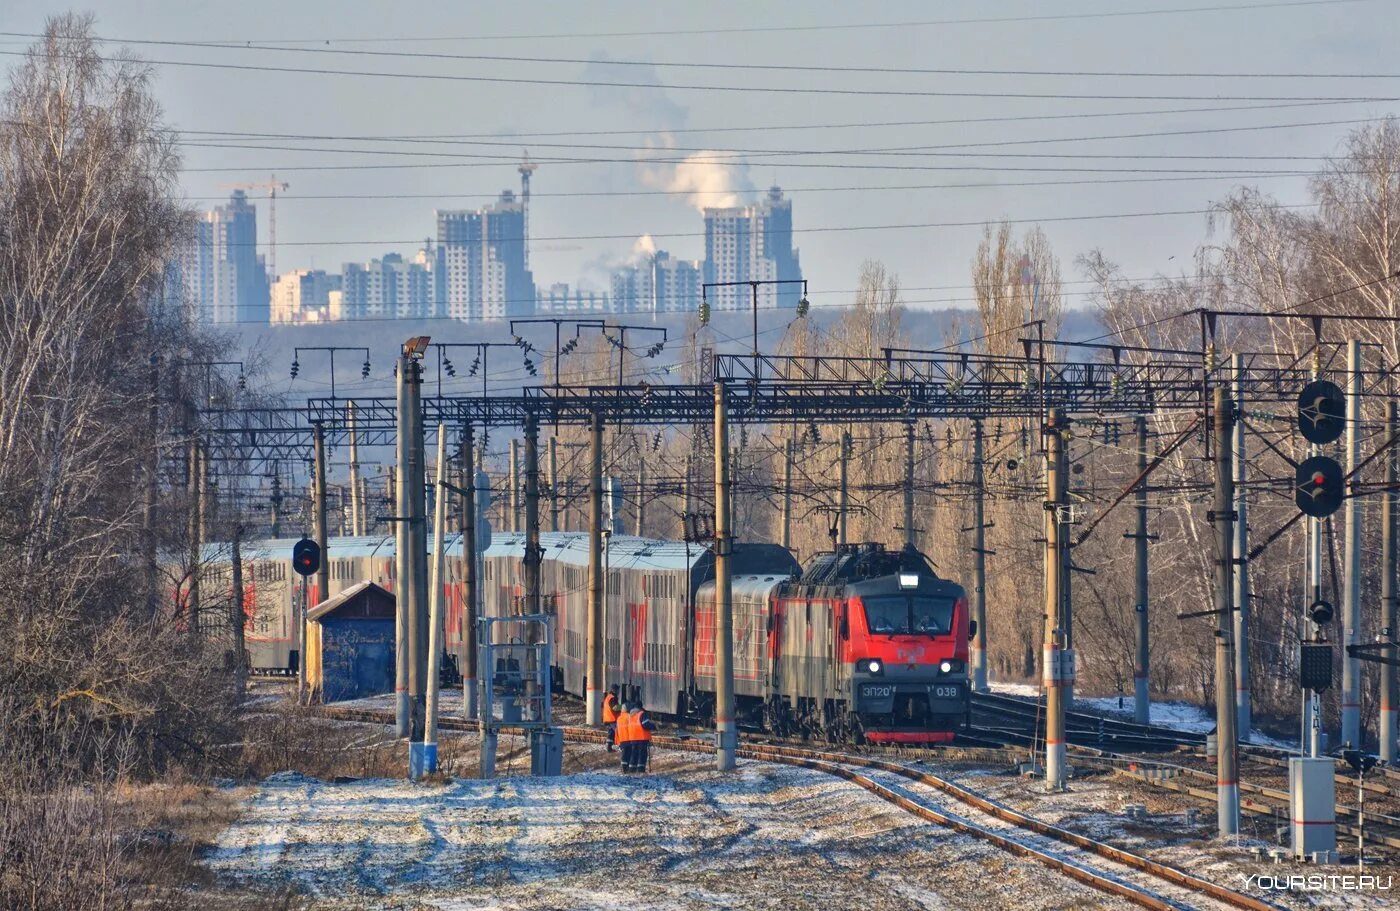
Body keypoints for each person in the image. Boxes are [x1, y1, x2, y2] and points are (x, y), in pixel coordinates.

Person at [630, 702, 655, 773]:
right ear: (640, 707)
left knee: (634, 754)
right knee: (642, 754)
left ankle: (632, 769)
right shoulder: (642, 714)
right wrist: (653, 726)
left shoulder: (631, 715)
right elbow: (645, 724)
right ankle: (641, 770)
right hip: (642, 738)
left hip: (633, 737)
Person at [614, 701, 635, 772]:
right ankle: (629, 768)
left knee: (624, 754)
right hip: (629, 739)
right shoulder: (629, 717)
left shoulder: (619, 718)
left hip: (622, 740)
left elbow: (617, 731)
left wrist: (617, 741)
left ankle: (624, 768)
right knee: (630, 754)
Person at [602, 686, 620, 752]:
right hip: (612, 719)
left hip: (607, 718)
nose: (618, 692)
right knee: (617, 731)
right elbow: (615, 708)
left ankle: (609, 747)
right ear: (615, 690)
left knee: (611, 733)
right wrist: (623, 707)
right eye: (618, 690)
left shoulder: (608, 697)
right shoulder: (612, 698)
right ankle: (619, 746)